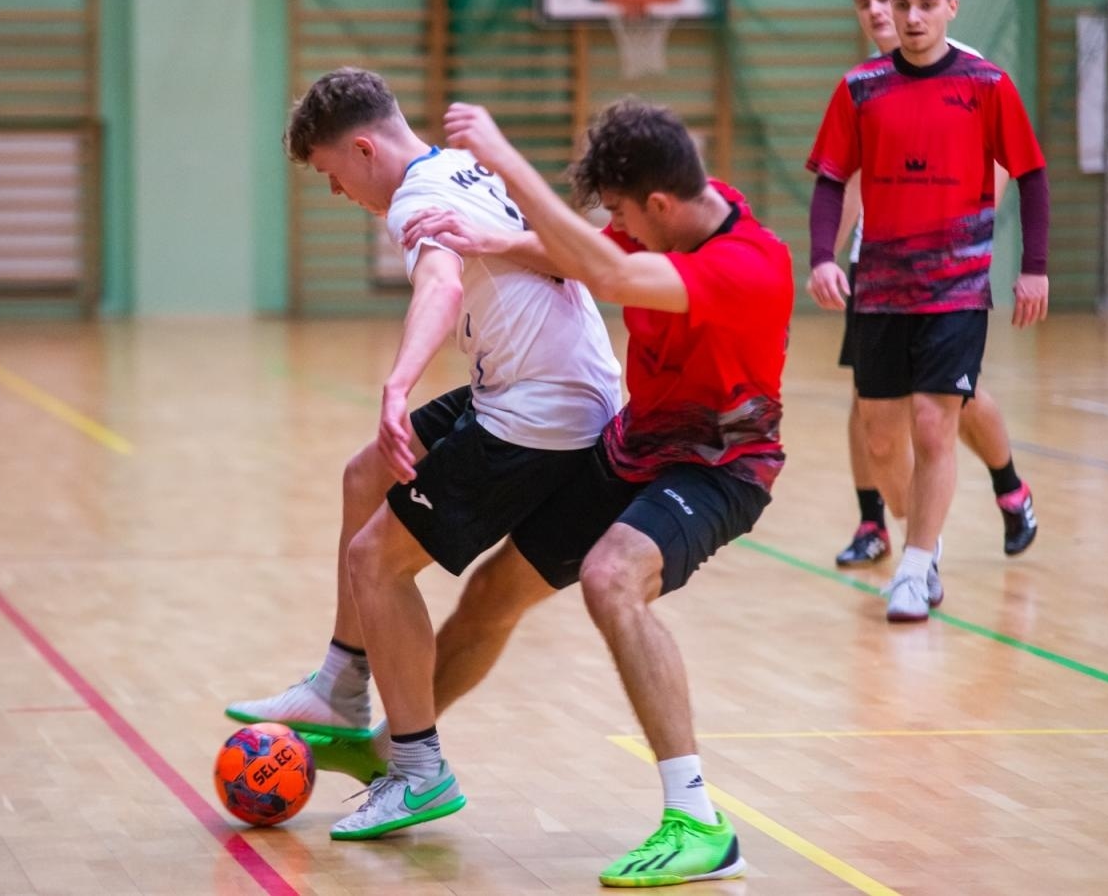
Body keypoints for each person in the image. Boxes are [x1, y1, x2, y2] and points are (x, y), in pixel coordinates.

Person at [226, 67, 623, 841]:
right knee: (366, 473)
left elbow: (440, 285)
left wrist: (397, 384)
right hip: (537, 387)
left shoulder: (414, 197)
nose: (338, 194)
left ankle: (417, 771)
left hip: (540, 415)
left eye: (331, 175)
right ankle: (342, 683)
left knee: (378, 560)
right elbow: (559, 250)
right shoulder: (459, 166)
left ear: (364, 148)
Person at [423, 97, 792, 887]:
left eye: (624, 209)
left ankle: (697, 817)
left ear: (659, 203)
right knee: (493, 592)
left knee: (610, 578)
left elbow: (608, 270)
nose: (617, 221)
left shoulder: (747, 266)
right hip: (634, 448)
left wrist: (502, 157)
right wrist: (494, 239)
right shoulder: (678, 212)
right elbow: (584, 248)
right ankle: (404, 750)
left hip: (719, 469)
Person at [806, 0, 1051, 622]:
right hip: (878, 283)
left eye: (920, 4)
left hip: (956, 287)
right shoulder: (861, 87)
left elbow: (1027, 173)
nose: (906, 16)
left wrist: (1031, 266)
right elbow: (832, 178)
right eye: (895, 4)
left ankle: (917, 563)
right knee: (881, 436)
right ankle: (919, 532)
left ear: (949, 6)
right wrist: (823, 256)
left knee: (935, 424)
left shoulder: (984, 82)